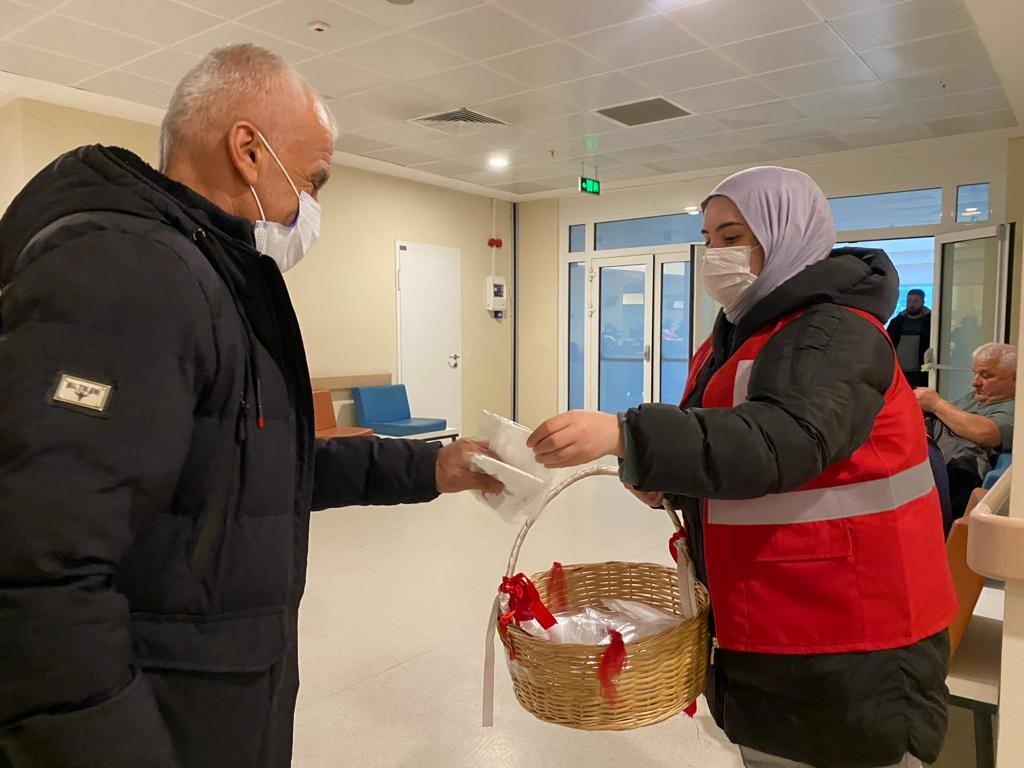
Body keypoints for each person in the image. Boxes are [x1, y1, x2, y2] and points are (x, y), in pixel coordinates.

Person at [0, 45, 500, 768]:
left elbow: (259, 465)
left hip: (220, 692)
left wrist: (433, 469)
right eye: (315, 179)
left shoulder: (213, 278)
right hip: (164, 708)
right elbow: (36, 575)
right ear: (249, 151)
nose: (313, 207)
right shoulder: (128, 275)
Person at [527, 166, 957, 768]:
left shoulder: (832, 332)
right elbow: (737, 458)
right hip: (770, 616)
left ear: (787, 234)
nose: (715, 254)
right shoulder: (740, 332)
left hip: (852, 635)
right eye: (708, 238)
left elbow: (784, 442)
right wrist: (669, 485)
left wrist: (626, 433)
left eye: (733, 236)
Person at [916, 343, 1016, 519]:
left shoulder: (1014, 407)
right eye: (975, 373)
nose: (975, 382)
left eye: (986, 375)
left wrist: (937, 404)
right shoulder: (978, 397)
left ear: (1016, 379)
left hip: (954, 475)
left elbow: (985, 434)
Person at [887, 288, 931, 387]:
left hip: (922, 373)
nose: (911, 304)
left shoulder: (931, 322)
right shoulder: (896, 322)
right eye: (909, 301)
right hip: (899, 372)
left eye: (915, 301)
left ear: (923, 302)